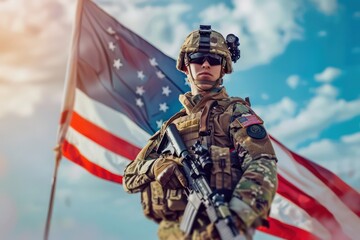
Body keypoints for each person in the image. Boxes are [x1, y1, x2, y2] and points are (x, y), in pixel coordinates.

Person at [123, 25, 278, 240]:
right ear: (186, 67)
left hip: (222, 228)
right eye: (197, 58)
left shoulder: (234, 112)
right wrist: (157, 165)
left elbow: (263, 163)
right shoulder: (172, 127)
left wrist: (234, 218)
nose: (206, 64)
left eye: (214, 60)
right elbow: (130, 176)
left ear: (223, 67)